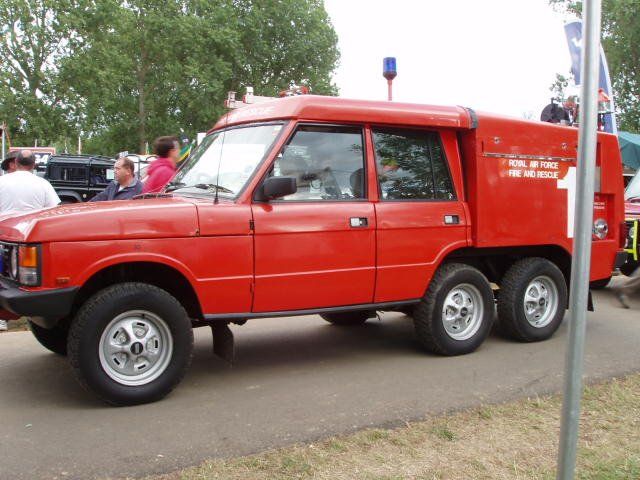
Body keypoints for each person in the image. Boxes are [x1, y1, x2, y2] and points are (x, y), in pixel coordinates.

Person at [0, 150, 60, 215]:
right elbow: (53, 210)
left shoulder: (2, 181)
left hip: (5, 221)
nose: (8, 170)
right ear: (34, 164)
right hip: (33, 221)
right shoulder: (44, 184)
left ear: (16, 162)